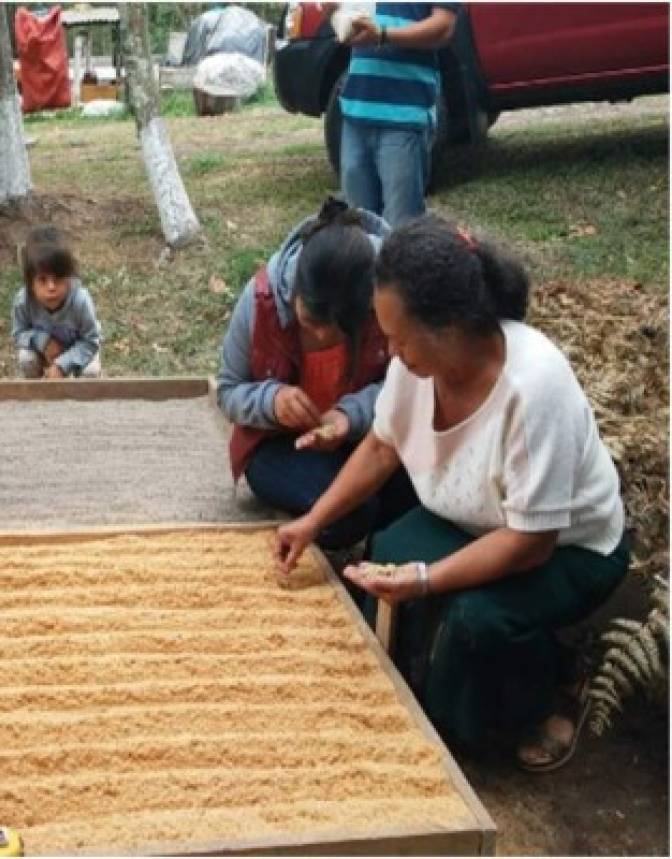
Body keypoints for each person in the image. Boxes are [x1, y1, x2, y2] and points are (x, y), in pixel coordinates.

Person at [274, 215, 628, 771]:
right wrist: (313, 521)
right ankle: (417, 681)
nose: (390, 354)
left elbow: (531, 543)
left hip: (568, 550)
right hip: (478, 523)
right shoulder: (415, 366)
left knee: (477, 620)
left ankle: (550, 691)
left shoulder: (534, 387)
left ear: (450, 326)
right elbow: (381, 447)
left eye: (399, 338)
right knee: (390, 547)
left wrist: (425, 580)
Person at [216, 197, 413, 548]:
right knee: (348, 513)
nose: (322, 336)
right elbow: (228, 390)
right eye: (311, 322)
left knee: (411, 496)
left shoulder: (391, 300)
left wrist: (350, 416)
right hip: (280, 445)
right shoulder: (260, 299)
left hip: (370, 439)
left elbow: (409, 384)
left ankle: (378, 569)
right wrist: (271, 401)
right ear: (294, 291)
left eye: (339, 330)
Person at [324, 2, 458, 226]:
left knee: (401, 228)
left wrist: (383, 35)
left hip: (404, 114)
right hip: (356, 111)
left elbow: (444, 27)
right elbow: (350, 22)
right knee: (359, 228)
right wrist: (336, 15)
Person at [11, 226, 102, 379]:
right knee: (26, 358)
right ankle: (37, 393)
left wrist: (62, 365)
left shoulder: (81, 301)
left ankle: (81, 401)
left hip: (79, 349)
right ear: (30, 283)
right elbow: (18, 333)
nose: (51, 287)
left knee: (91, 371)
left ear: (69, 277)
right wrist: (43, 342)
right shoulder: (23, 301)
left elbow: (92, 341)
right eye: (42, 280)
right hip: (42, 351)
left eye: (58, 279)